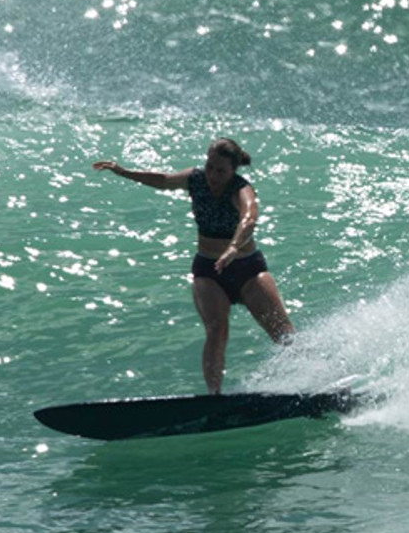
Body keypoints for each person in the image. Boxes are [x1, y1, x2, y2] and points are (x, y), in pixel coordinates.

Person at [93, 138, 295, 394]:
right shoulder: (195, 179)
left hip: (247, 269)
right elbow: (163, 180)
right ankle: (214, 396)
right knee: (216, 330)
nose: (213, 175)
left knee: (282, 333)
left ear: (233, 170)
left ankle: (311, 377)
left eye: (221, 171)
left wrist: (233, 247)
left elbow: (249, 218)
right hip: (209, 270)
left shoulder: (241, 189)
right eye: (210, 167)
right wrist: (123, 172)